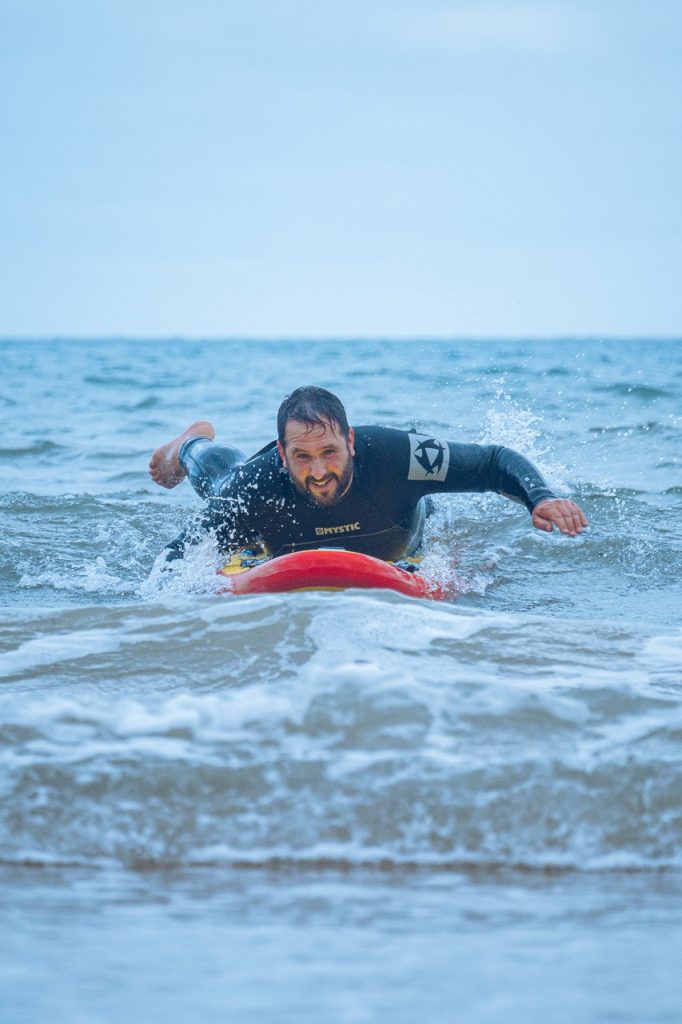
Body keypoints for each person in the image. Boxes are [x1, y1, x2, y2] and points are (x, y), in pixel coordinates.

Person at [149, 385, 587, 565]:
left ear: (351, 442)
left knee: (430, 506)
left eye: (329, 452)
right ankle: (190, 444)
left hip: (399, 533)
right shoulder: (259, 484)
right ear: (282, 454)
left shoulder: (396, 456)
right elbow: (175, 556)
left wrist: (540, 498)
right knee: (225, 481)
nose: (319, 471)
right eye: (302, 456)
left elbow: (492, 461)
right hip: (250, 492)